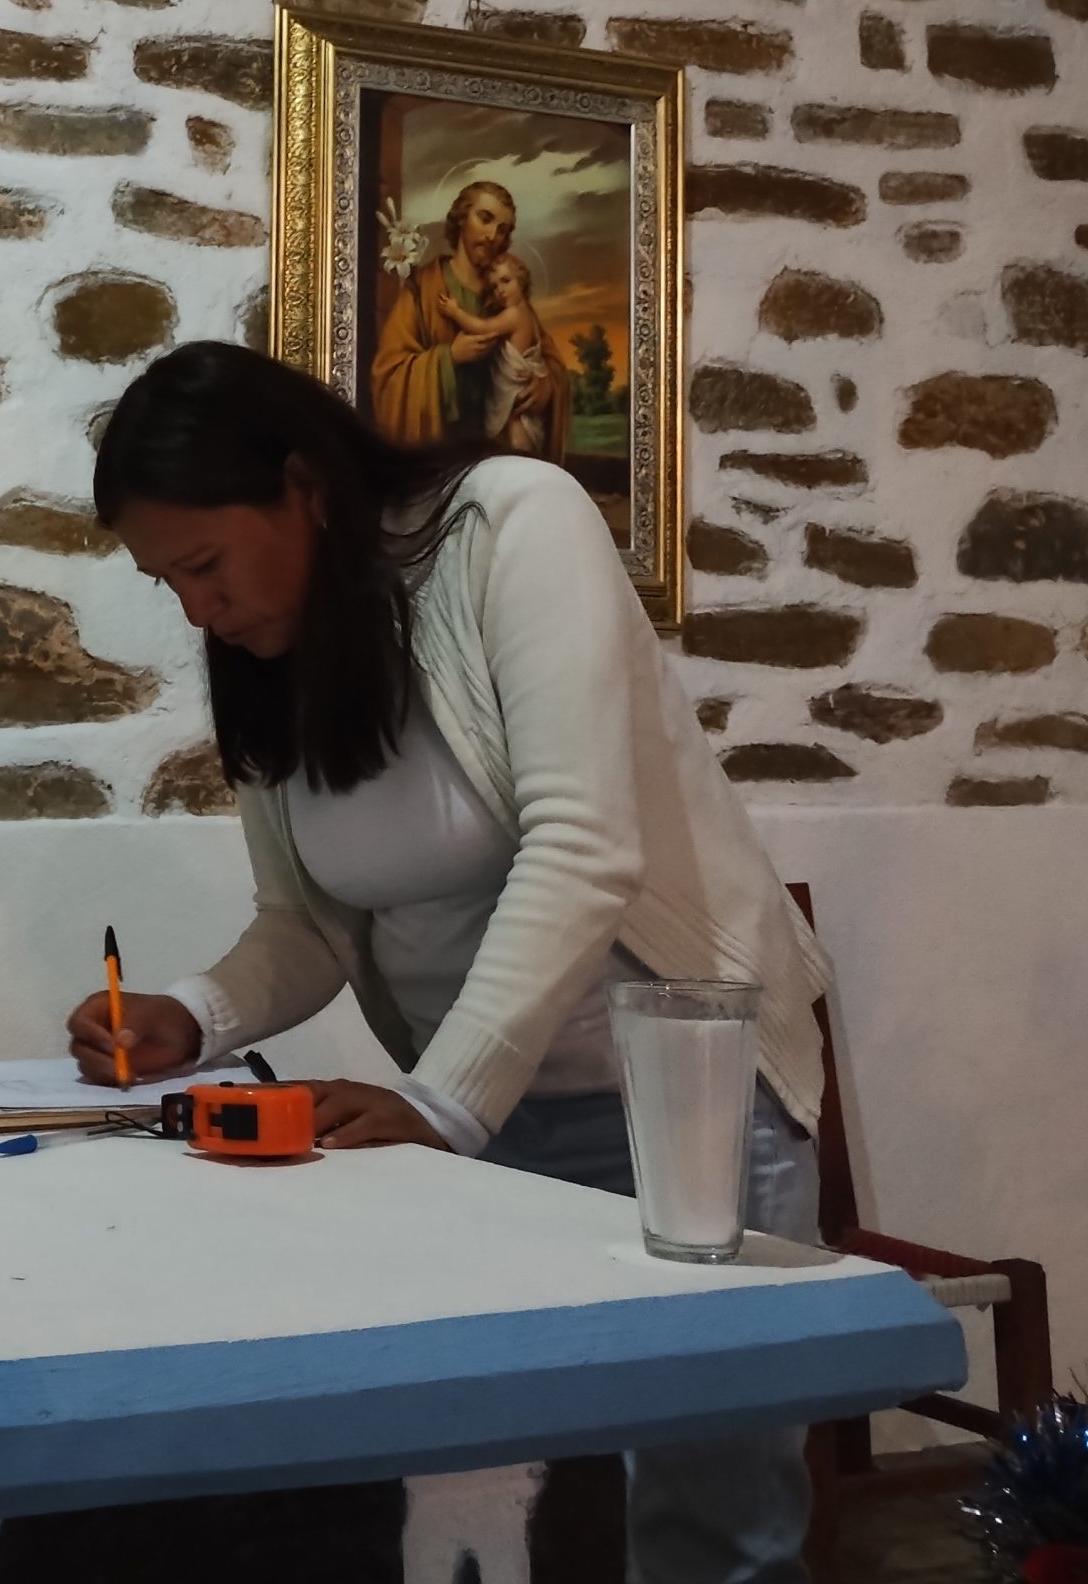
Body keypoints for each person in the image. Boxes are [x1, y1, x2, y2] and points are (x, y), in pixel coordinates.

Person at [67, 341, 833, 1584]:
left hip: (681, 1104)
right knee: (530, 1512)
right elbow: (310, 921)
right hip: (490, 1119)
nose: (197, 610)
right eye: (168, 583)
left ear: (304, 487)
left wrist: (438, 1103)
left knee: (711, 1532)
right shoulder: (271, 657)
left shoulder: (508, 522)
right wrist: (192, 1015)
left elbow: (582, 845)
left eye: (205, 563)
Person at [372, 180, 568, 464]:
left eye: (503, 229)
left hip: (500, 454)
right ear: (462, 218)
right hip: (443, 459)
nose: (492, 236)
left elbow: (547, 359)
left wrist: (546, 386)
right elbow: (388, 375)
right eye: (485, 219)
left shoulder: (506, 296)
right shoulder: (423, 288)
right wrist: (449, 357)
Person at [437, 252, 554, 456]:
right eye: (494, 287)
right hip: (514, 389)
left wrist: (455, 312)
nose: (500, 290)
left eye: (505, 281)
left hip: (514, 392)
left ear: (521, 281)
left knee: (517, 440)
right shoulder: (527, 312)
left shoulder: (514, 314)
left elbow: (482, 328)